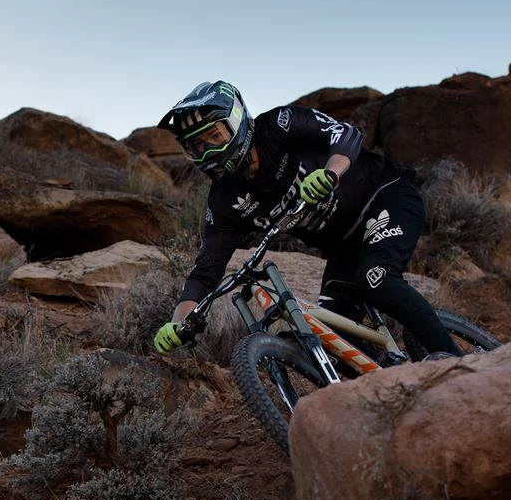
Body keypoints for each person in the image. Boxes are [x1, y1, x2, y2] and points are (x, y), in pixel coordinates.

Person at [151, 80, 459, 359]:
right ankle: (393, 381)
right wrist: (178, 322)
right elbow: (205, 271)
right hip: (344, 247)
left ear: (237, 122)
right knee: (331, 337)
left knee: (375, 279)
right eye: (196, 147)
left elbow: (345, 134)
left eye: (214, 136)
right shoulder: (224, 201)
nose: (207, 152)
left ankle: (463, 365)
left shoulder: (279, 125)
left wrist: (331, 173)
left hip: (385, 196)